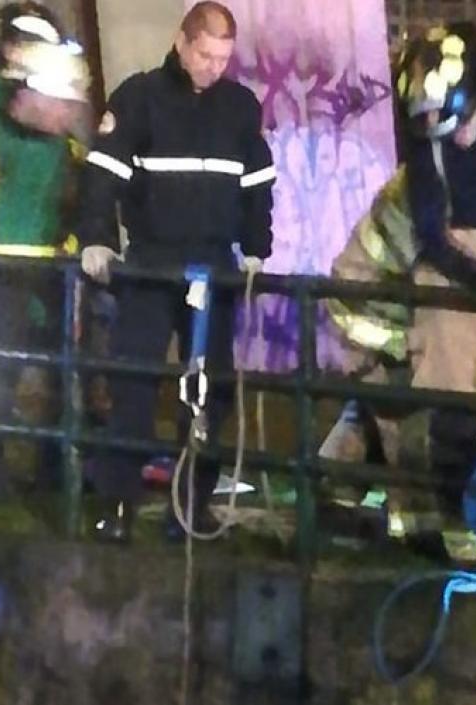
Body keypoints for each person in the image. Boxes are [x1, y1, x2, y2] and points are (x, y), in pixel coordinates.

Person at [321, 21, 476, 554]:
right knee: (435, 407)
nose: (444, 132)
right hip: (436, 295)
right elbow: (433, 237)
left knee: (406, 402)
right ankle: (443, 527)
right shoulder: (426, 162)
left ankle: (351, 493)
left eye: (447, 119)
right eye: (425, 121)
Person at [77, 1, 274, 543]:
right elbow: (104, 174)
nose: (214, 67)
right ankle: (117, 505)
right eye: (206, 55)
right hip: (149, 264)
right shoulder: (138, 99)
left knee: (210, 392)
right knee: (134, 385)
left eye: (223, 58)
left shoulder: (240, 108)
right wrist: (96, 239)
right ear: (183, 43)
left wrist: (258, 247)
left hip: (213, 267)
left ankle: (190, 507)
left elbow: (258, 184)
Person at [0, 2, 89, 497]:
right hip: (2, 267)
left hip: (52, 266)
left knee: (65, 374)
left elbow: (70, 184)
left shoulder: (59, 137)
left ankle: (60, 470)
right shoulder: (2, 108)